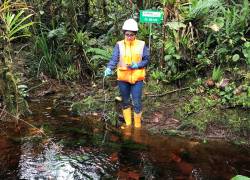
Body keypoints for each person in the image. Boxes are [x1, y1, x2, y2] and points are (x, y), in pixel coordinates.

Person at [103, 18, 150, 128]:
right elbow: (114, 59)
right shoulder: (119, 45)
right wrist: (109, 68)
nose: (129, 37)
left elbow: (147, 59)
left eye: (131, 35)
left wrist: (137, 65)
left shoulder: (141, 44)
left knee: (137, 102)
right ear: (124, 33)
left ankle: (137, 126)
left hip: (137, 79)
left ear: (135, 34)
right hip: (123, 79)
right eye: (127, 34)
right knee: (125, 101)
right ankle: (128, 125)